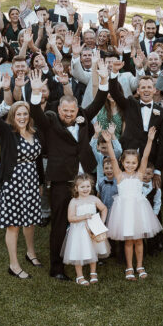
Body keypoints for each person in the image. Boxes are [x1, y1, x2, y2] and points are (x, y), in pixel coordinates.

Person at [28, 62, 111, 280]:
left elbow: (99, 101)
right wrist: (35, 93)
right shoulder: (50, 121)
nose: (68, 114)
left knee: (90, 217)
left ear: (76, 110)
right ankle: (56, 267)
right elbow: (36, 112)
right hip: (61, 180)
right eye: (65, 110)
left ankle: (91, 255)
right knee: (59, 222)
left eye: (71, 111)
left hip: (87, 179)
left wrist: (104, 80)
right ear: (58, 110)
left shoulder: (83, 116)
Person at [0, 72, 44, 279]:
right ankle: (14, 264)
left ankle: (31, 252)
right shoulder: (7, 133)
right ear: (13, 116)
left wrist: (40, 182)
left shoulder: (35, 133)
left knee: (29, 221)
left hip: (31, 182)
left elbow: (37, 160)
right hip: (12, 184)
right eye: (18, 114)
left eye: (25, 114)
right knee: (14, 226)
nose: (22, 117)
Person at [101, 127, 162, 280]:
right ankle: (129, 267)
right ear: (123, 162)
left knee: (139, 240)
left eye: (133, 162)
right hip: (124, 212)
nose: (130, 165)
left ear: (137, 163)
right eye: (127, 162)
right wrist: (108, 143)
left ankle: (140, 266)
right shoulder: (119, 176)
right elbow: (113, 159)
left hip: (139, 211)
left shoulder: (140, 174)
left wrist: (149, 140)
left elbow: (146, 156)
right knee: (128, 241)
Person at [62, 173, 110, 286]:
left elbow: (104, 209)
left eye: (88, 186)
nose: (85, 189)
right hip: (79, 232)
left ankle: (93, 273)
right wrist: (84, 217)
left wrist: (101, 223)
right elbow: (70, 218)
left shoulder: (93, 199)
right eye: (82, 187)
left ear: (91, 186)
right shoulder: (74, 202)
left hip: (93, 230)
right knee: (78, 252)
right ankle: (80, 276)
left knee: (94, 250)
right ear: (76, 188)